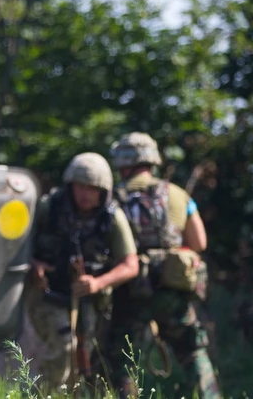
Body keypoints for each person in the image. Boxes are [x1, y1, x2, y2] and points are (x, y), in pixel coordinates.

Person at [104, 132, 221, 399]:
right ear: (152, 161)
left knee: (123, 360)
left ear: (123, 162)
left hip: (128, 289)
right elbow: (199, 242)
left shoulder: (114, 198)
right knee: (193, 351)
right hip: (172, 289)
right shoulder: (177, 193)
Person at [26, 152, 139, 392]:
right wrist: (33, 265)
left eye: (92, 188)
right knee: (64, 346)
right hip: (49, 295)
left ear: (103, 190)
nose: (85, 194)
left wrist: (98, 283)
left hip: (92, 303)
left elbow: (131, 265)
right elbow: (17, 247)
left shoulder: (112, 217)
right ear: (71, 186)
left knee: (86, 363)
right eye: (80, 186)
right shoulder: (49, 208)